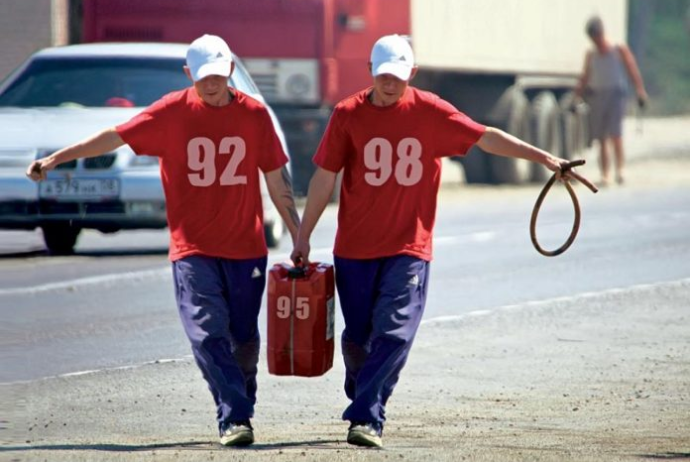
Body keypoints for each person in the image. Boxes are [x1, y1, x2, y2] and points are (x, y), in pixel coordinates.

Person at [290, 34, 594, 448]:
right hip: (355, 251)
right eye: (383, 76)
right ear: (370, 73)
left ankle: (366, 417)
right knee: (359, 336)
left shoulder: (431, 112)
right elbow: (325, 176)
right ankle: (363, 386)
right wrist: (304, 236)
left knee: (395, 332)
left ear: (411, 74)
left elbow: (486, 136)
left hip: (408, 248)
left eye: (398, 76)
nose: (390, 84)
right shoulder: (347, 114)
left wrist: (545, 158)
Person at [27, 34, 300, 447]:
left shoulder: (255, 115)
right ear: (189, 74)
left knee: (243, 336)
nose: (211, 84)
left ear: (230, 69)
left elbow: (277, 178)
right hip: (193, 248)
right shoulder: (171, 112)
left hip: (246, 248)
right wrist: (54, 159)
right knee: (207, 332)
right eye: (202, 77)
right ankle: (234, 415)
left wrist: (297, 234)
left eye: (218, 75)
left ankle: (240, 399)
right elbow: (114, 137)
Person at [575, 15, 648, 186]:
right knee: (601, 137)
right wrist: (577, 95)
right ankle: (605, 174)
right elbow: (585, 76)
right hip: (597, 95)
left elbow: (632, 68)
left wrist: (640, 90)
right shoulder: (591, 54)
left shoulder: (618, 48)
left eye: (598, 36)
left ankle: (620, 170)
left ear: (602, 33)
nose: (597, 41)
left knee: (615, 134)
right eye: (593, 38)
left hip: (616, 94)